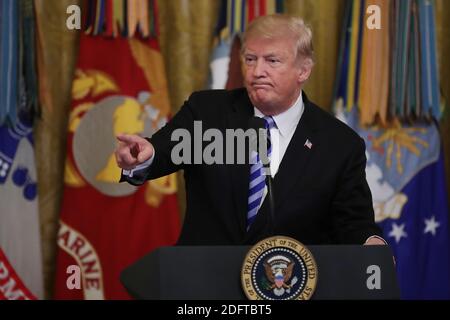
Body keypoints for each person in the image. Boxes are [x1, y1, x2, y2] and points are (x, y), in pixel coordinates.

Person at [115, 14, 385, 246]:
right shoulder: (208, 112)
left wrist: (370, 242)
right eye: (250, 59)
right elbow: (163, 151)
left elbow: (354, 223)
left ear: (303, 70)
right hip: (206, 287)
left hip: (286, 286)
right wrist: (145, 155)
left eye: (272, 61)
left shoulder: (339, 143)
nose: (257, 71)